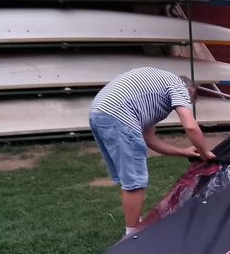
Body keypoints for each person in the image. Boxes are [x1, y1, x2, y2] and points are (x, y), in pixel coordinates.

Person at [89, 67, 216, 238]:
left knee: (129, 178)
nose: (182, 105)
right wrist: (205, 152)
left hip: (99, 113)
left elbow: (149, 138)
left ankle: (133, 224)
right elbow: (190, 126)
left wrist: (182, 152)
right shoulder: (178, 86)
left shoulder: (153, 93)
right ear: (188, 91)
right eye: (187, 102)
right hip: (119, 114)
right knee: (134, 181)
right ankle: (131, 234)